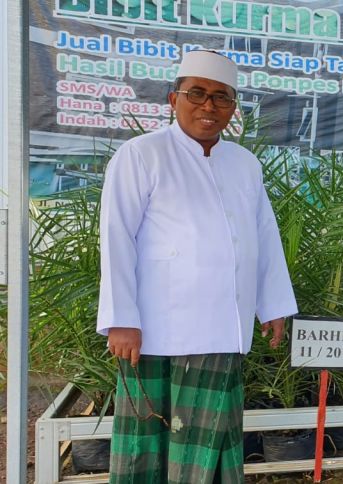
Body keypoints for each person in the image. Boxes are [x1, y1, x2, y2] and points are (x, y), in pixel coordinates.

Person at [97, 50, 298, 483]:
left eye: (221, 97)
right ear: (174, 99)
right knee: (147, 447)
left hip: (222, 328)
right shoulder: (142, 154)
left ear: (233, 108)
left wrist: (273, 305)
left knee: (213, 441)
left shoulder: (244, 163)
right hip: (154, 331)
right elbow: (116, 238)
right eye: (197, 94)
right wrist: (121, 320)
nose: (208, 105)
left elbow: (264, 236)